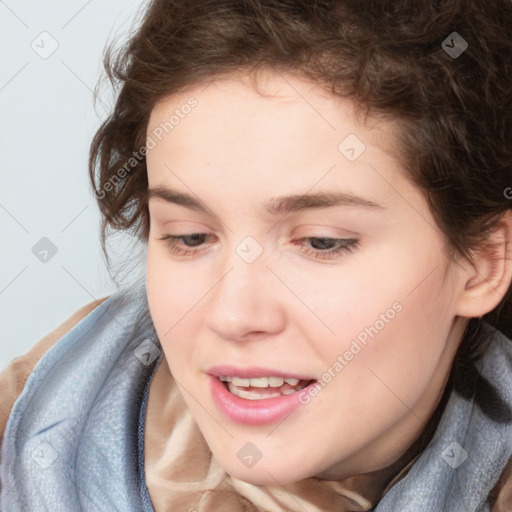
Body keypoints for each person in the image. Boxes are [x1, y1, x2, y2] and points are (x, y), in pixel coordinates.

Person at [1, 0, 512, 510]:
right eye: (190, 237)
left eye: (321, 242)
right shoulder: (37, 403)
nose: (233, 314)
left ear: (484, 263)